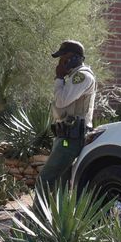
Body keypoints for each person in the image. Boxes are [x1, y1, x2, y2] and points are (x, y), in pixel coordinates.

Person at [37, 40, 97, 192]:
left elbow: (62, 101)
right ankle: (57, 215)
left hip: (72, 137)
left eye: (64, 57)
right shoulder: (72, 77)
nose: (60, 61)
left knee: (45, 178)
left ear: (75, 58)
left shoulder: (82, 77)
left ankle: (38, 214)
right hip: (65, 135)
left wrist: (58, 78)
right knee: (61, 183)